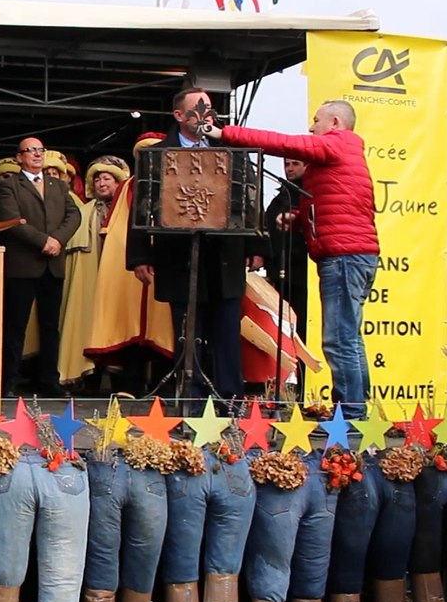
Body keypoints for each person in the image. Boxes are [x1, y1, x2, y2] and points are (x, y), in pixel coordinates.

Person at [207, 99, 380, 419]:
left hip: (343, 257)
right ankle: (357, 410)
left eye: (317, 120)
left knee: (339, 341)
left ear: (336, 123)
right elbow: (340, 204)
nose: (312, 127)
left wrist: (226, 133)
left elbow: (282, 142)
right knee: (350, 338)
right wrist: (300, 216)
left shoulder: (336, 145)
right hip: (356, 255)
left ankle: (352, 417)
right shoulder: (348, 152)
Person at [128, 88, 267, 408]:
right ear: (179, 115)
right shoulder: (157, 154)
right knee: (188, 331)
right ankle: (192, 399)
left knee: (226, 330)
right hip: (178, 255)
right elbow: (142, 205)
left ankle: (229, 398)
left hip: (225, 256)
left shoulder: (230, 149)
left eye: (209, 110)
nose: (206, 115)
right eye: (197, 109)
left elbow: (249, 199)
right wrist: (139, 255)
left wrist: (258, 244)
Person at [83, 136, 176, 397]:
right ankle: (131, 385)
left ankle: (164, 386)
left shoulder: (176, 184)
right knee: (131, 324)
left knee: (165, 327)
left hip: (165, 263)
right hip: (132, 266)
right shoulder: (127, 187)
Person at [0, 136, 81, 398]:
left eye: (40, 150)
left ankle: (48, 381)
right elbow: (11, 220)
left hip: (52, 266)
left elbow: (74, 214)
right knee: (15, 325)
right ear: (19, 157)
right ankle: (7, 381)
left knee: (50, 326)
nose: (36, 154)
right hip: (23, 266)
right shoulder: (10, 185)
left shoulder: (58, 185)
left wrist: (59, 240)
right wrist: (44, 241)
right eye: (30, 151)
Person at [58, 153, 120, 395]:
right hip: (91, 282)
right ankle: (88, 379)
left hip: (116, 283)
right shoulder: (82, 211)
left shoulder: (124, 211)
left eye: (107, 179)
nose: (101, 184)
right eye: (97, 180)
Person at [264, 158, 310, 336]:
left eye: (295, 164)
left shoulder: (307, 195)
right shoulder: (281, 197)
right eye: (286, 164)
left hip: (302, 272)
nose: (289, 169)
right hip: (280, 271)